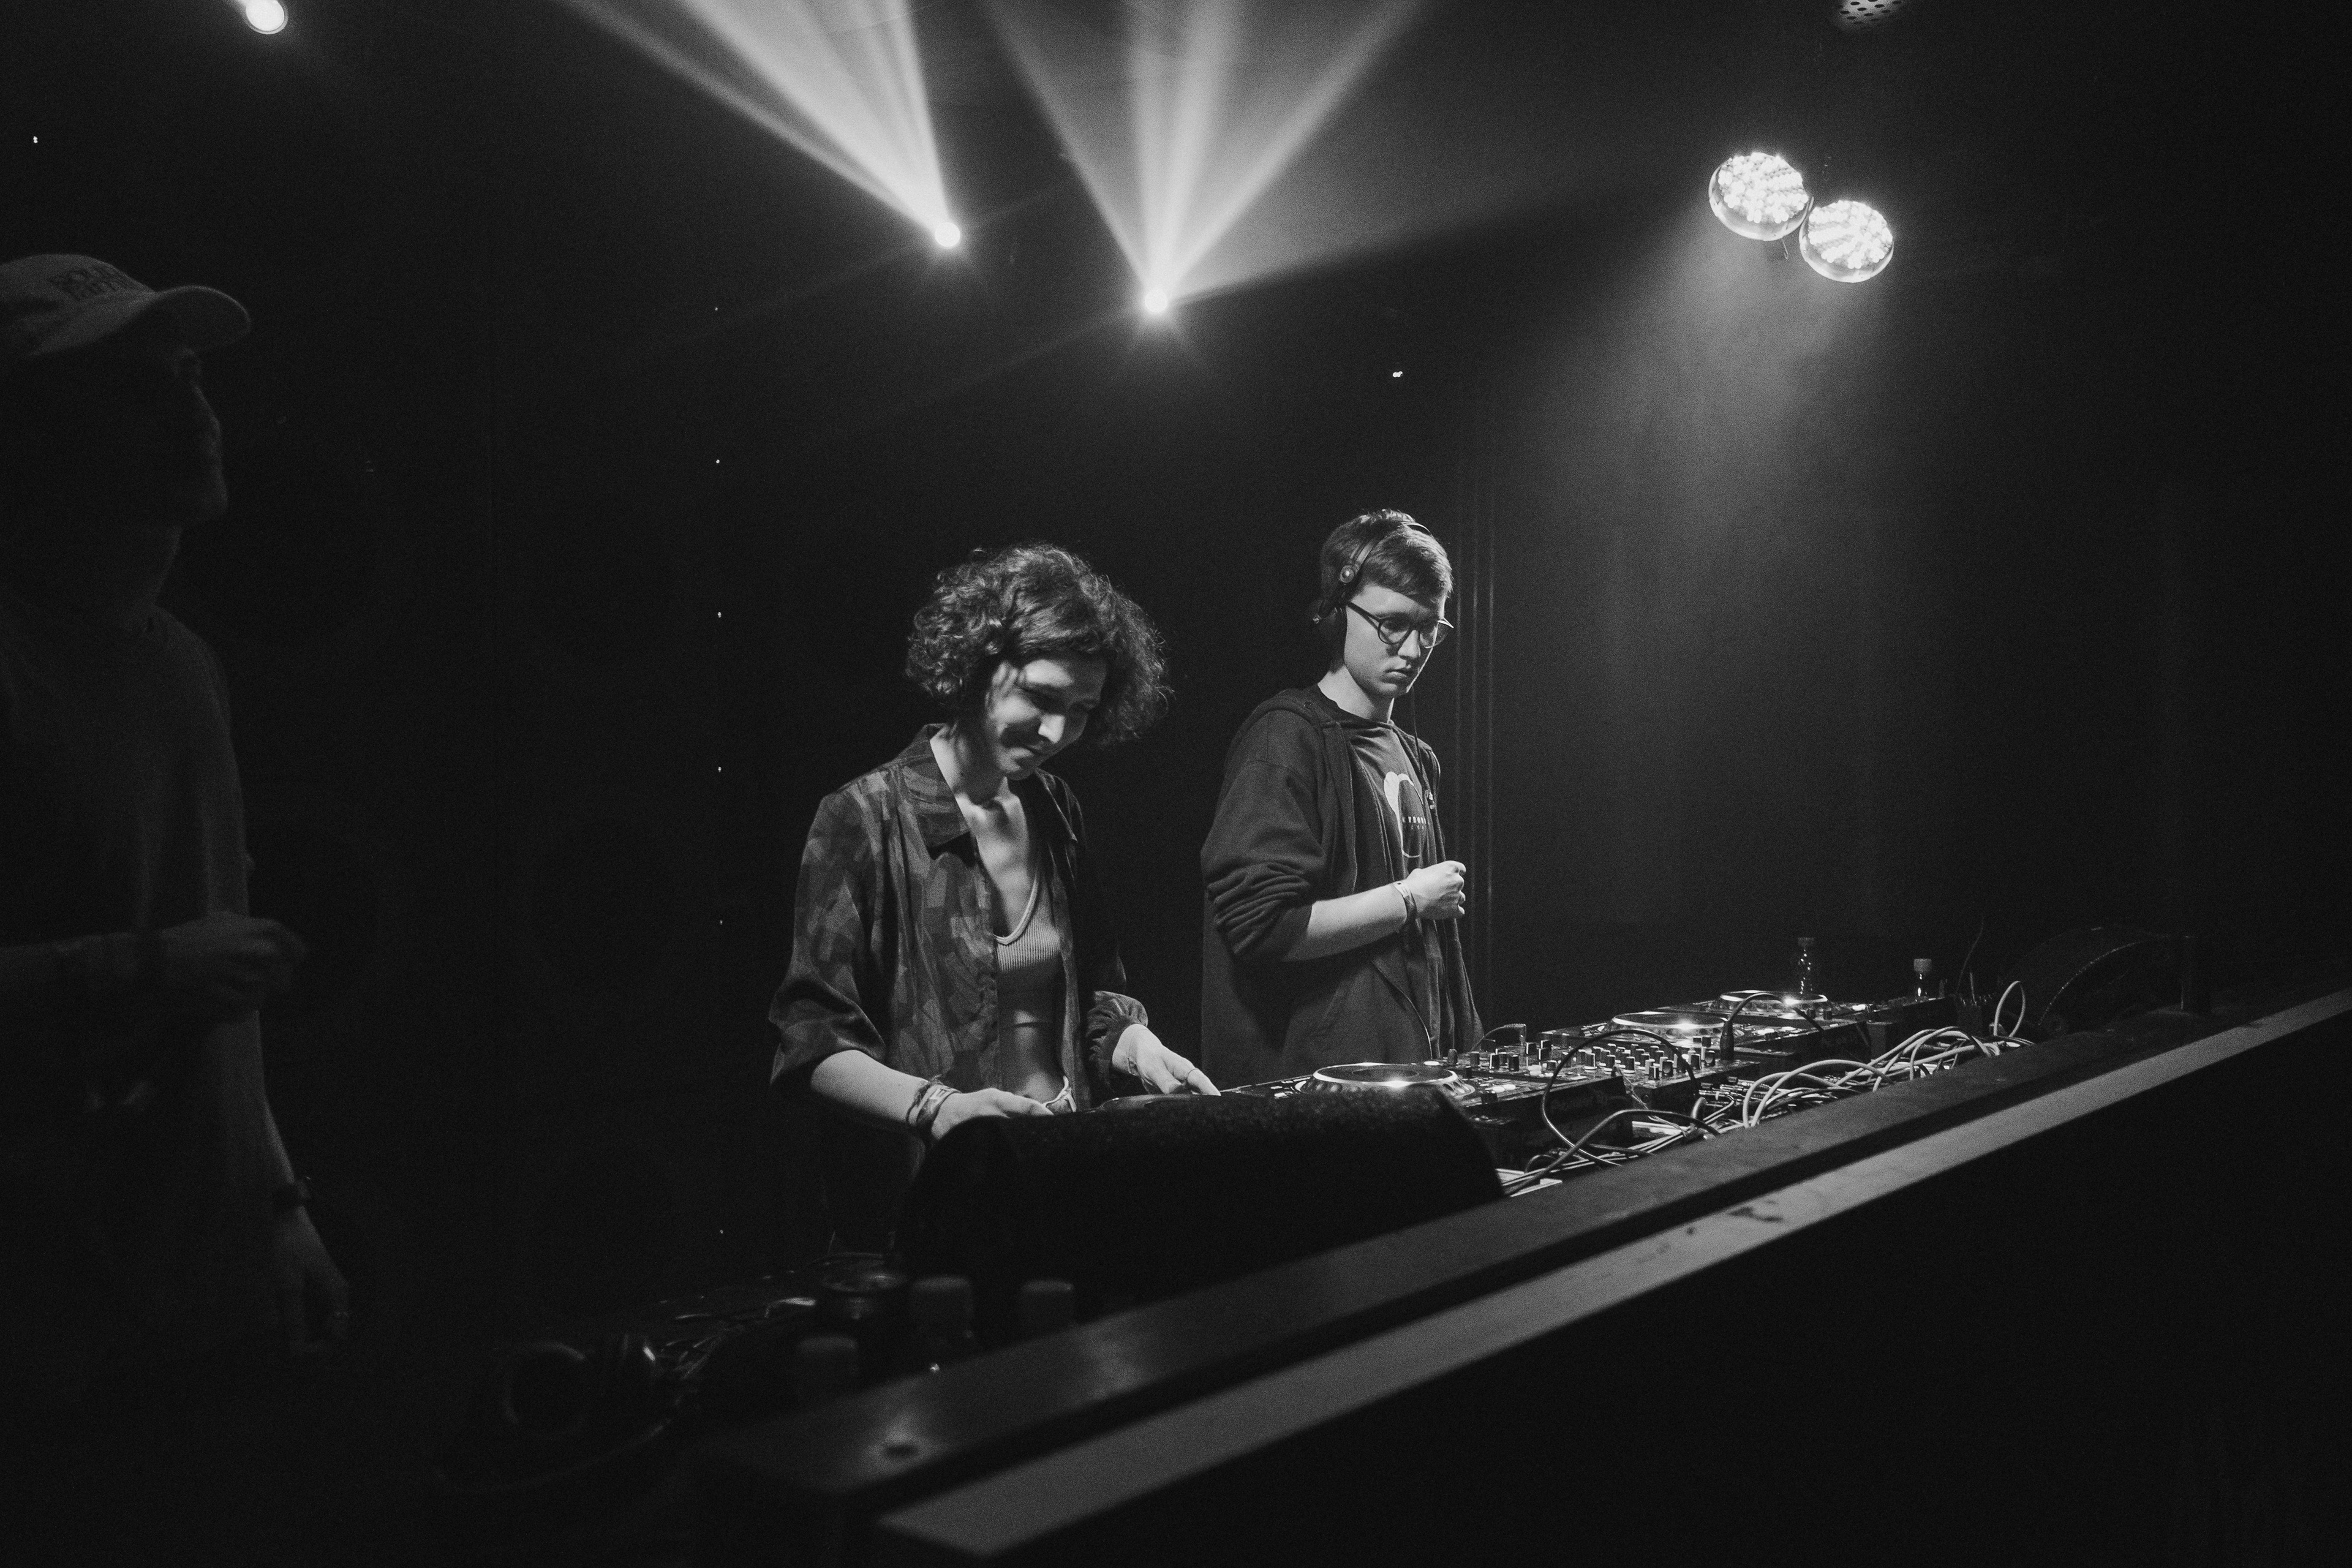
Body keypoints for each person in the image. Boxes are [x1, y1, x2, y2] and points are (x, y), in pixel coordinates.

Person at [0, 254, 347, 1412]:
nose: (193, 411)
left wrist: (279, 1202)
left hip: (209, 1293)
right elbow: (186, 963)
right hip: (47, 1332)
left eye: (191, 375)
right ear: (30, 434)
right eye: (136, 388)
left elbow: (214, 986)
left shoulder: (184, 664)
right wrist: (151, 966)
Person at [771, 542, 1214, 1246]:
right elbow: (812, 1043)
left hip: (1060, 1169)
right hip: (935, 1202)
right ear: (978, 664)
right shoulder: (864, 817)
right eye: (1040, 697)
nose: (1058, 731)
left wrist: (1136, 1046)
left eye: (1081, 709)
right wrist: (937, 1108)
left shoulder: (1056, 808)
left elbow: (1095, 991)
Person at [1200, 509, 1482, 1087]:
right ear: (1334, 616)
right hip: (1318, 1094)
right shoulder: (1284, 739)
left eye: (1430, 628)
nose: (1414, 649)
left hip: (1410, 1082)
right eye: (1392, 624)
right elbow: (1262, 926)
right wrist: (1408, 898)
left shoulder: (1416, 756)